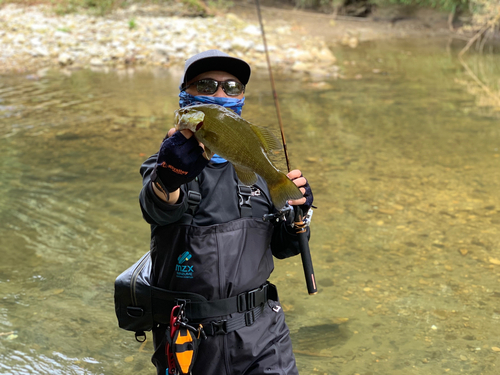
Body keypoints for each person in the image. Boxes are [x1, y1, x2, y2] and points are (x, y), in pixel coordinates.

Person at [139, 49, 313, 375]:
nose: (220, 93)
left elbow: (284, 247)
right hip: (190, 341)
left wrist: (296, 216)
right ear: (184, 95)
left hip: (265, 339)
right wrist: (167, 178)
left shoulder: (257, 169)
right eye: (206, 84)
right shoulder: (164, 165)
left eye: (232, 87)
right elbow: (157, 206)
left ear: (242, 97)